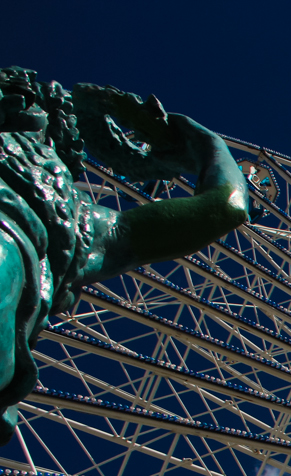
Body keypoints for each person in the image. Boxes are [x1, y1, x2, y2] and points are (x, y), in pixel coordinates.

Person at [0, 67, 248, 443]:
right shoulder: (71, 219)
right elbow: (226, 206)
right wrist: (205, 145)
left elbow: (224, 210)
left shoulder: (71, 217)